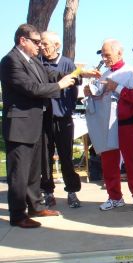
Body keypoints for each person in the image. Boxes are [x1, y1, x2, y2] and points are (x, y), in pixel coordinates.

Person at [0, 24, 76, 228]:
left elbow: (48, 77)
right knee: (19, 174)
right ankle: (18, 215)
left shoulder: (33, 61)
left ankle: (35, 206)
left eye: (41, 42)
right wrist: (60, 86)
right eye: (36, 42)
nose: (39, 46)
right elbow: (31, 88)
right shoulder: (10, 61)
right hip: (19, 126)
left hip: (35, 124)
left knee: (34, 171)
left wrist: (76, 73)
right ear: (22, 41)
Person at [84, 39, 133, 212]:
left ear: (119, 53)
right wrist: (89, 92)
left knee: (132, 160)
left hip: (126, 124)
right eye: (102, 55)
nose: (104, 58)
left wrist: (117, 88)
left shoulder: (131, 73)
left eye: (107, 55)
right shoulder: (103, 74)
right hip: (106, 125)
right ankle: (114, 196)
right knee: (109, 162)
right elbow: (98, 96)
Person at [39, 31, 81, 208]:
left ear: (57, 46)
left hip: (63, 118)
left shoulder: (67, 63)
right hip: (43, 117)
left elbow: (74, 90)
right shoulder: (37, 62)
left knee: (66, 156)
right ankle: (48, 192)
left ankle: (72, 192)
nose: (41, 46)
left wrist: (67, 108)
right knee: (45, 158)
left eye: (45, 44)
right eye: (40, 43)